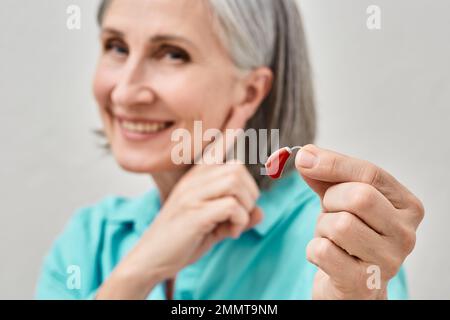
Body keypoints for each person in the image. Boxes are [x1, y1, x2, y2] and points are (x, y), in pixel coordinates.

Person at [36, 0, 424, 299]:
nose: (124, 91)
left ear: (251, 90)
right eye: (116, 46)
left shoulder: (331, 236)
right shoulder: (90, 240)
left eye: (172, 53)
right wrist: (135, 275)